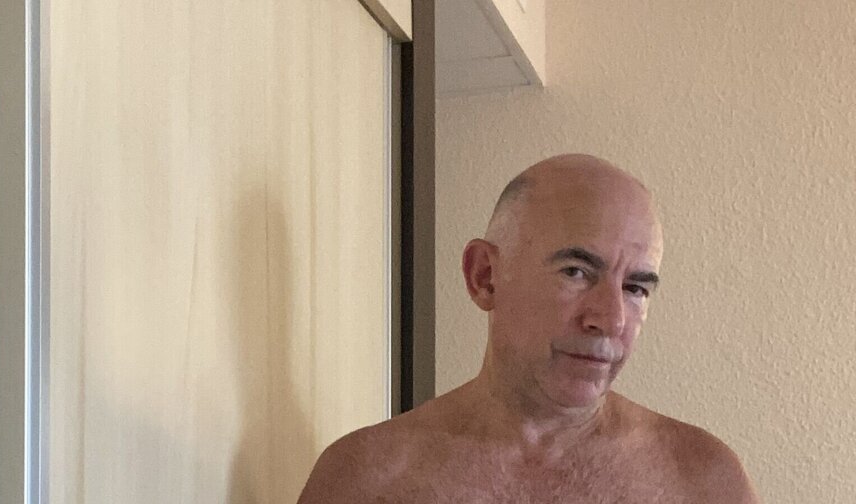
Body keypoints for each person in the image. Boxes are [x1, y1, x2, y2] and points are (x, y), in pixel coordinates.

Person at [298, 154, 760, 503]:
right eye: (576, 272)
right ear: (485, 276)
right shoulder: (366, 479)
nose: (611, 319)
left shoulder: (702, 480)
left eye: (636, 287)